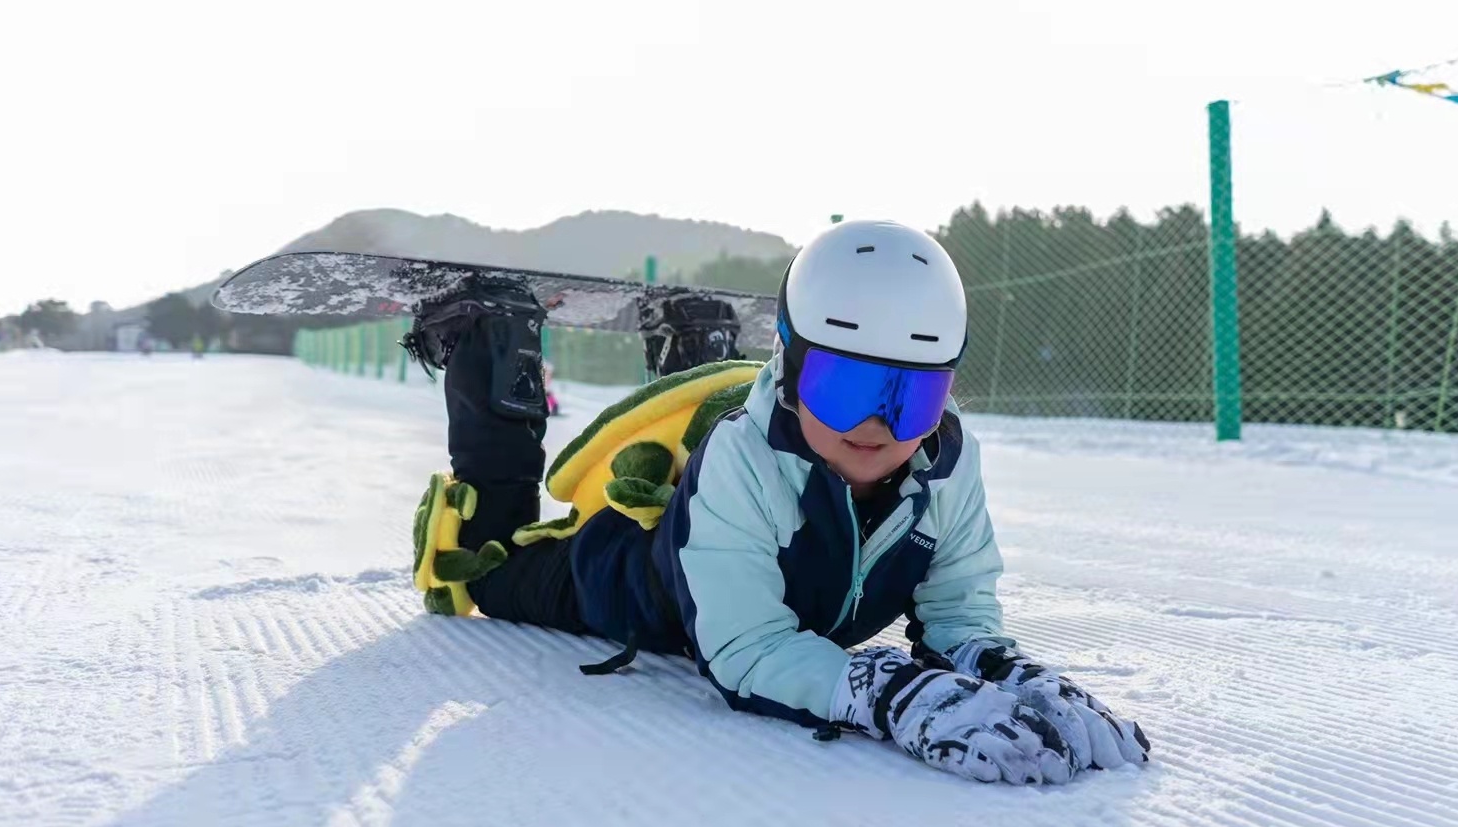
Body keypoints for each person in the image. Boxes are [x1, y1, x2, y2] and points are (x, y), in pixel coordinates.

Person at [405, 220, 1149, 786]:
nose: (877, 426)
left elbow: (958, 612)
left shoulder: (948, 462)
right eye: (845, 388)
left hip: (736, 553)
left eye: (911, 395)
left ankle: (694, 338)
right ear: (789, 366)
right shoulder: (745, 457)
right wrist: (889, 694)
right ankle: (488, 339)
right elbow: (745, 650)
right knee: (491, 573)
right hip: (634, 583)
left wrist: (1012, 676)